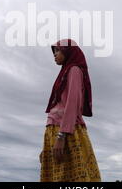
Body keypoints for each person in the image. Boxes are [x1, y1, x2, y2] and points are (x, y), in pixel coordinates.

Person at [39, 38, 101, 181]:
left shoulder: (74, 70)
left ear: (68, 51)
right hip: (56, 130)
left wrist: (61, 137)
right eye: (54, 52)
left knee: (71, 177)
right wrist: (46, 147)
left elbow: (72, 104)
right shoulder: (65, 73)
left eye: (58, 50)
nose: (54, 55)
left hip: (66, 131)